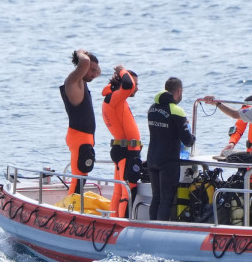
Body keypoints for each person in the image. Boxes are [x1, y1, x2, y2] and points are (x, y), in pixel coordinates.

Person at [146, 77, 195, 221]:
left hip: (152, 158)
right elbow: (187, 140)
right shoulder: (176, 110)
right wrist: (193, 137)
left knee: (156, 198)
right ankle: (160, 232)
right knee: (166, 200)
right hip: (168, 161)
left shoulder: (152, 108)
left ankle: (151, 229)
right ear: (179, 91)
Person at [60, 49, 101, 195]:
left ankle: (74, 203)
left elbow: (94, 68)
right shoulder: (72, 82)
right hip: (79, 138)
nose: (95, 74)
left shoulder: (83, 81)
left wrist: (90, 62)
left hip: (84, 138)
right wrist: (79, 53)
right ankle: (71, 207)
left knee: (82, 176)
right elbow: (84, 62)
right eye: (92, 71)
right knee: (79, 178)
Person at [102, 65, 141, 217]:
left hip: (124, 151)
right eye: (135, 84)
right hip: (127, 152)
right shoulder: (116, 98)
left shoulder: (115, 98)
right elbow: (128, 85)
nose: (136, 88)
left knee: (119, 191)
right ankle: (122, 224)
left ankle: (114, 220)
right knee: (128, 190)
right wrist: (121, 70)